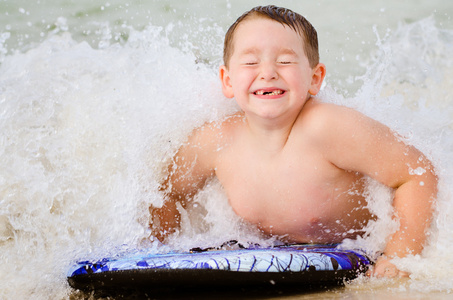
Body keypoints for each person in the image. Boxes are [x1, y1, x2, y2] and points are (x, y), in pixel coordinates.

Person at [149, 5, 437, 278]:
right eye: (250, 62)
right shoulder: (216, 141)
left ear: (315, 78)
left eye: (285, 61)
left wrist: (400, 255)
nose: (268, 72)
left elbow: (416, 173)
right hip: (276, 250)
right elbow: (167, 194)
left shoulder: (328, 128)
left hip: (357, 245)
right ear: (227, 80)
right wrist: (165, 250)